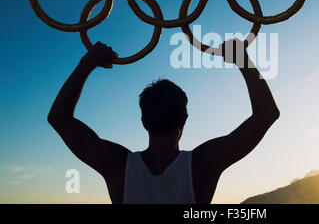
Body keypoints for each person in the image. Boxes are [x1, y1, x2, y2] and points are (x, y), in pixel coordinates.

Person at [48, 39, 280, 203]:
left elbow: (59, 118)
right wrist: (242, 59)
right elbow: (266, 114)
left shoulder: (117, 164)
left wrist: (87, 63)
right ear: (184, 119)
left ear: (143, 120)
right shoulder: (203, 164)